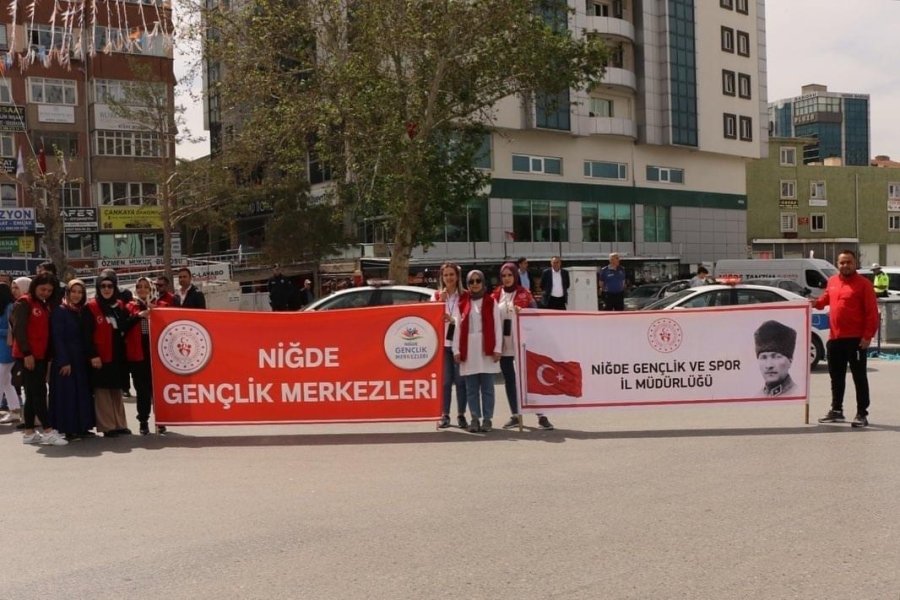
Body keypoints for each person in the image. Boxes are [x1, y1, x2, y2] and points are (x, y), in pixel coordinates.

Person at [813, 249, 879, 428]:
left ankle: (861, 413)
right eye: (842, 262)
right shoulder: (833, 281)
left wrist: (867, 337)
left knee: (859, 377)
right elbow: (825, 299)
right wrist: (814, 303)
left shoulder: (864, 285)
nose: (845, 265)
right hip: (835, 339)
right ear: (837, 264)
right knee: (836, 377)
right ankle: (836, 410)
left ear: (855, 263)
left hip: (856, 340)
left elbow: (872, 314)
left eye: (849, 262)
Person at [492, 262, 554, 431]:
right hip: (504, 345)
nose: (507, 278)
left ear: (515, 276)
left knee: (529, 379)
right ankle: (515, 414)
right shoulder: (496, 294)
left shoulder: (524, 293)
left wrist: (523, 312)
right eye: (504, 276)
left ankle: (541, 415)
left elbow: (536, 315)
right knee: (510, 380)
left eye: (510, 275)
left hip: (523, 343)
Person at [11, 274, 68, 445]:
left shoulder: (43, 305)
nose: (46, 293)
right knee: (39, 393)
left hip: (40, 356)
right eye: (43, 289)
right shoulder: (24, 302)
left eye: (49, 290)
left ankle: (29, 432)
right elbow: (19, 330)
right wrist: (27, 353)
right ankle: (48, 430)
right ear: (34, 286)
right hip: (28, 356)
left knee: (31, 393)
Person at [85, 271, 134, 437]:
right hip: (101, 355)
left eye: (110, 286)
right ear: (98, 288)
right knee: (103, 391)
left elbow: (125, 326)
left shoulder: (119, 306)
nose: (106, 289)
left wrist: (139, 316)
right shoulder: (91, 306)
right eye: (103, 286)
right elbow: (87, 334)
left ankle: (120, 424)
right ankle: (107, 426)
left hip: (117, 355)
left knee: (116, 389)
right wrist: (93, 355)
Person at [452, 270, 501, 433]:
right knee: (471, 388)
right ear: (467, 284)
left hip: (486, 349)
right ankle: (474, 418)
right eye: (471, 281)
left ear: (483, 282)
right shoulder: (462, 302)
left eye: (478, 280)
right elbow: (457, 327)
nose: (475, 284)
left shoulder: (491, 301)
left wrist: (497, 348)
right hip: (468, 349)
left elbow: (497, 326)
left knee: (487, 388)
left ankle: (487, 419)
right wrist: (456, 349)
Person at [49, 279, 96, 440]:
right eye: (73, 291)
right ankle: (68, 429)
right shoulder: (60, 311)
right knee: (67, 395)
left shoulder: (80, 311)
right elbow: (58, 338)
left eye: (80, 292)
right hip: (66, 359)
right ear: (67, 293)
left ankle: (82, 427)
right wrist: (64, 361)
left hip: (80, 360)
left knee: (81, 393)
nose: (76, 295)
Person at [434, 262, 468, 429]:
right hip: (442, 345)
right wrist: (439, 303)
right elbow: (430, 318)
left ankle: (461, 415)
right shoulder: (436, 296)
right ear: (442, 277)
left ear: (457, 276)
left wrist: (453, 320)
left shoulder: (465, 296)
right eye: (446, 275)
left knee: (461, 382)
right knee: (446, 382)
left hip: (459, 344)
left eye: (451, 274)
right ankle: (444, 414)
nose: (449, 278)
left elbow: (468, 320)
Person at [125, 277, 155, 435]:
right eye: (139, 287)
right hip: (138, 355)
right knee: (142, 390)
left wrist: (155, 312)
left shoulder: (159, 305)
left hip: (156, 354)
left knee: (157, 389)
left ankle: (161, 420)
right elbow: (124, 326)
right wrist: (138, 316)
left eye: (146, 287)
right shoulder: (130, 306)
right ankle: (143, 420)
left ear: (151, 289)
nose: (142, 289)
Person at [754, 320, 797, 397]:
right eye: (763, 357)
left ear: (790, 360)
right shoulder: (757, 396)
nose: (769, 365)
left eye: (776, 357)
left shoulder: (796, 393)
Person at [0, 282, 22, 425]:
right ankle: (15, 411)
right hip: (4, 349)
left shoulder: (9, 307)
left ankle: (14, 411)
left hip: (6, 350)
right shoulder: (6, 307)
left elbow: (12, 330)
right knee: (7, 383)